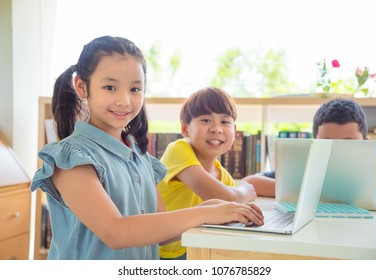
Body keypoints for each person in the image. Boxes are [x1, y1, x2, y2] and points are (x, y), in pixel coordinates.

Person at [30, 36, 263, 260]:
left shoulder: (140, 156)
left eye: (135, 89)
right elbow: (116, 232)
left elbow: (160, 230)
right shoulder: (70, 158)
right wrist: (206, 213)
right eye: (110, 87)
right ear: (82, 87)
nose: (124, 101)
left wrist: (216, 208)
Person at [157, 87, 257, 260]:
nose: (216, 128)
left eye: (225, 122)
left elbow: (231, 208)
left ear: (234, 131)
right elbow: (228, 197)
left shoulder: (222, 174)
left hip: (195, 247)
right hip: (164, 253)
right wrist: (245, 192)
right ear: (186, 129)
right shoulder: (178, 150)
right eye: (206, 120)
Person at [243, 98, 376, 205]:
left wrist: (361, 195)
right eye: (327, 143)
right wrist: (311, 191)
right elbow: (249, 183)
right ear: (313, 143)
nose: (336, 152)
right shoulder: (306, 165)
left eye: (348, 143)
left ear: (366, 143)